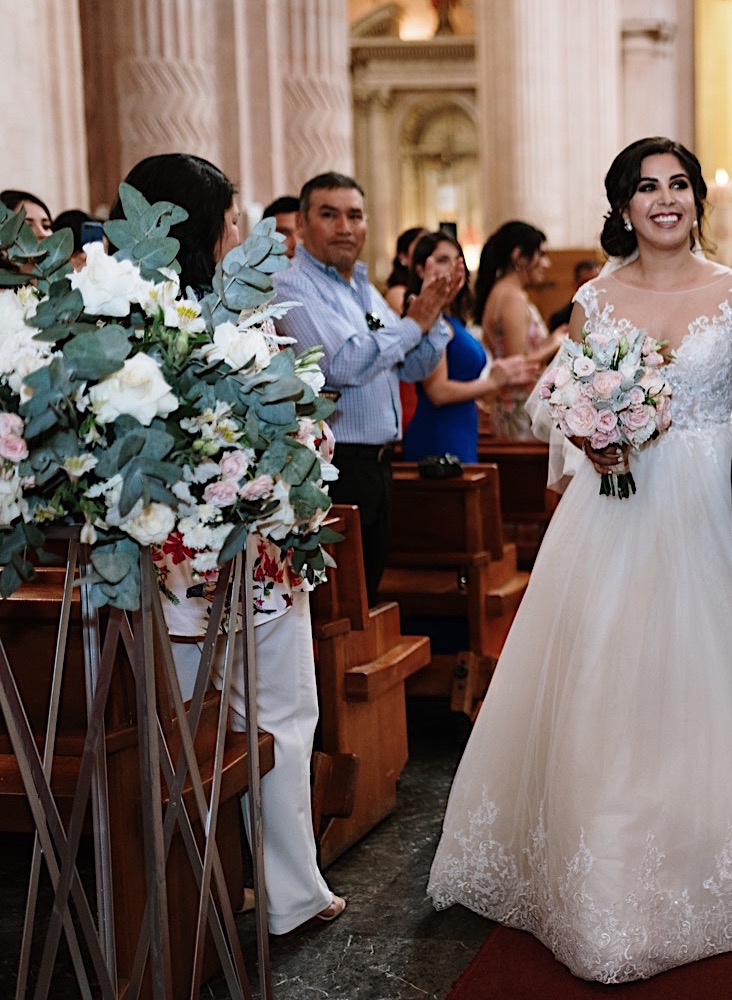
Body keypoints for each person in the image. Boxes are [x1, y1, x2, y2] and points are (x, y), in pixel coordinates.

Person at [427, 136, 732, 983]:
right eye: (645, 187)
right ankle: (611, 870)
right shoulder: (594, 299)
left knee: (725, 683)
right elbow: (571, 405)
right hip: (617, 512)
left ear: (699, 199)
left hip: (714, 503)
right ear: (622, 206)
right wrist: (593, 438)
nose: (664, 199)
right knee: (613, 680)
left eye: (678, 185)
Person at [114, 152, 344, 934]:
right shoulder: (240, 328)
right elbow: (303, 436)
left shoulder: (117, 325)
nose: (242, 229)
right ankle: (288, 896)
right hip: (255, 561)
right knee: (279, 718)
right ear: (210, 229)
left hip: (158, 570)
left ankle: (182, 907)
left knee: (175, 726)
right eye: (234, 215)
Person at [272, 173, 458, 601]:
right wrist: (415, 322)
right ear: (301, 224)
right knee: (339, 605)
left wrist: (432, 318)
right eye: (329, 215)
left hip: (379, 465)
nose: (344, 227)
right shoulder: (290, 284)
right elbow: (340, 364)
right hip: (338, 467)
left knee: (367, 595)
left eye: (354, 215)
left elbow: (412, 366)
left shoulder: (363, 288)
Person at [402, 230, 538, 463]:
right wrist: (493, 382)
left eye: (458, 260)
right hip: (439, 431)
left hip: (461, 425)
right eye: (443, 260)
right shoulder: (428, 320)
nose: (454, 268)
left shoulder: (453, 319)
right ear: (420, 269)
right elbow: (438, 391)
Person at [472, 221, 565, 437]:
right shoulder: (512, 297)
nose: (546, 263)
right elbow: (516, 364)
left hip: (511, 403)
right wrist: (555, 344)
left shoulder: (501, 292)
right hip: (520, 407)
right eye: (540, 254)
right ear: (519, 257)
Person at [545, 257, 601, 332]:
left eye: (596, 283)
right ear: (575, 285)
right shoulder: (559, 320)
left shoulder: (609, 314)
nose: (591, 289)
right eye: (585, 284)